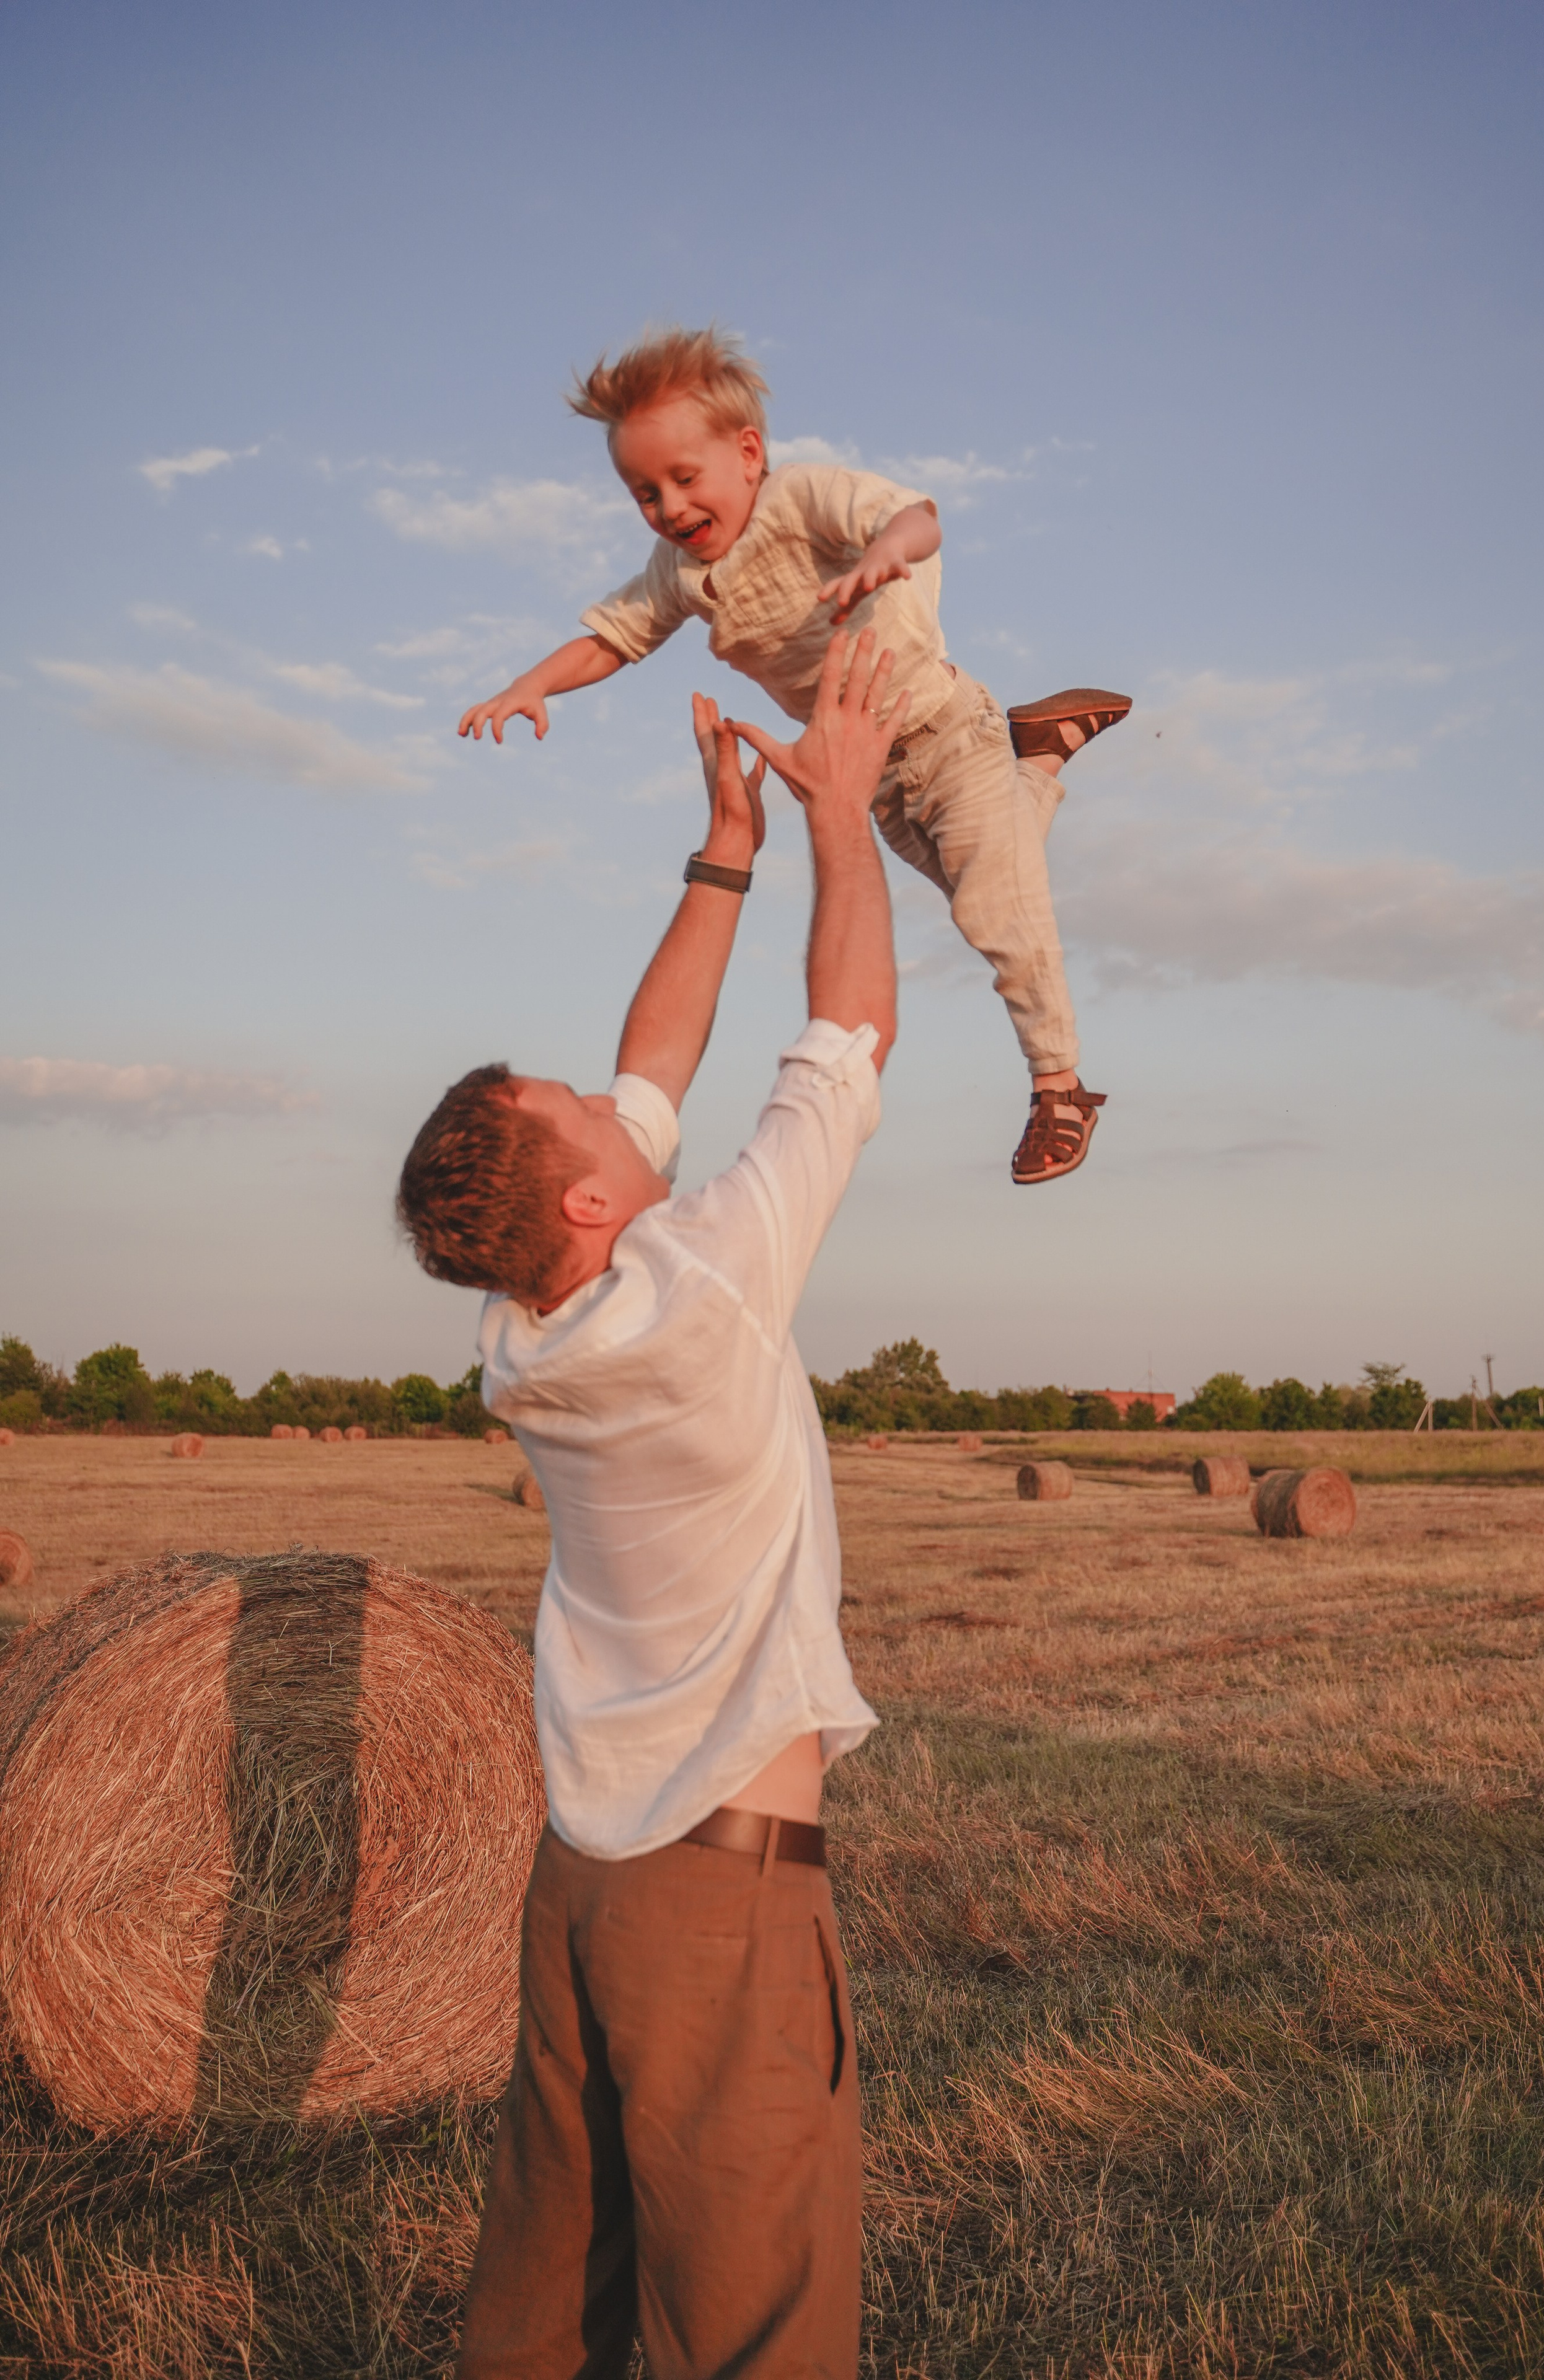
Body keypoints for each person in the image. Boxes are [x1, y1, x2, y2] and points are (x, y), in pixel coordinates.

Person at [397, 628, 910, 2380]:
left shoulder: (521, 1329)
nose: (601, 1096)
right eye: (569, 1110)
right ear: (598, 1206)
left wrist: (725, 852)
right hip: (723, 1905)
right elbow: (844, 1038)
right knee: (753, 2318)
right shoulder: (698, 1297)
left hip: (585, 1884)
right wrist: (841, 813)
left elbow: (651, 1070)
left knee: (556, 2298)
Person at [457, 325, 1131, 1186]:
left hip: (946, 733)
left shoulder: (805, 498)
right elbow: (614, 637)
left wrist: (886, 550)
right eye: (643, 493)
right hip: (868, 774)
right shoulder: (676, 573)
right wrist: (532, 686)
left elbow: (918, 517)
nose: (667, 507)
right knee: (981, 891)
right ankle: (1036, 758)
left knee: (997, 911)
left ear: (747, 453)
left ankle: (1060, 1086)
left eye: (683, 479)